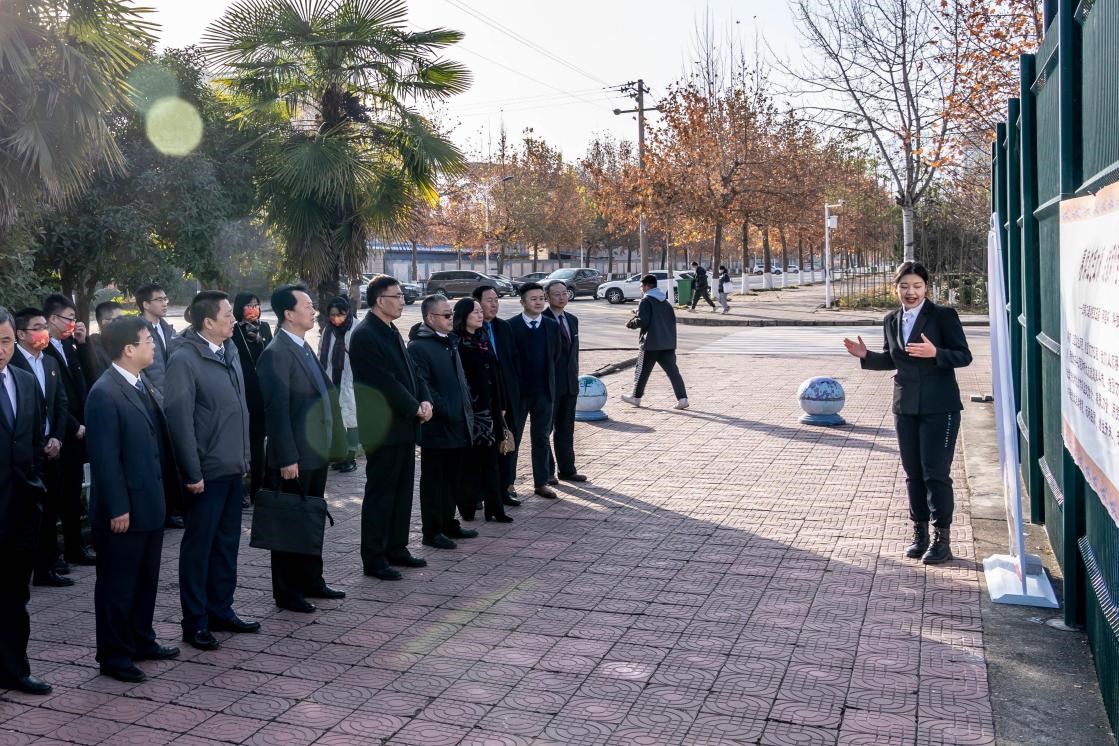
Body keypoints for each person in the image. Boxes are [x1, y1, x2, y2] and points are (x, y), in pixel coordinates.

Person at [843, 261, 973, 565]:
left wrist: (936, 353)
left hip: (940, 407)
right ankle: (920, 534)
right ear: (896, 288)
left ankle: (942, 539)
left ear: (926, 287)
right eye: (904, 286)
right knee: (913, 473)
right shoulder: (891, 320)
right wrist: (866, 356)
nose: (910, 292)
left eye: (916, 286)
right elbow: (893, 359)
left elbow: (964, 356)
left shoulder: (943, 316)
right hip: (905, 407)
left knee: (935, 473)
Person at [85, 317, 182, 682]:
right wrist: (118, 507)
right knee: (118, 585)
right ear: (128, 349)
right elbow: (105, 458)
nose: (153, 345)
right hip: (124, 511)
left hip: (149, 503)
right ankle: (114, 655)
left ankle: (141, 639)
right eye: (147, 341)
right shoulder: (104, 392)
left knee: (145, 580)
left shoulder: (140, 383)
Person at [163, 291, 258, 650]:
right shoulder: (184, 360)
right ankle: (195, 621)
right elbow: (180, 421)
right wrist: (192, 473)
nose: (234, 319)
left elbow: (239, 410)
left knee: (226, 545)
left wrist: (245, 459)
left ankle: (221, 609)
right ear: (208, 322)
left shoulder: (228, 349)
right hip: (205, 474)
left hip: (232, 468)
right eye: (228, 315)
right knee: (199, 549)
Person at [256, 285, 347, 613]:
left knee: (310, 518)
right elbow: (276, 411)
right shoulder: (277, 353)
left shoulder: (302, 346)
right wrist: (286, 457)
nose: (314, 311)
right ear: (288, 314)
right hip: (294, 456)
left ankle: (312, 580)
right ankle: (288, 591)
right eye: (307, 306)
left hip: (314, 452)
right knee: (289, 524)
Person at [350, 275, 432, 580]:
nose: (401, 301)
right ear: (379, 300)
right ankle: (374, 557)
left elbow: (411, 372)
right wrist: (414, 407)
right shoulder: (365, 335)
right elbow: (384, 382)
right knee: (381, 494)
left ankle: (397, 547)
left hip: (404, 425)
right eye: (396, 296)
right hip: (383, 428)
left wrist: (425, 399)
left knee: (401, 492)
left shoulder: (390, 329)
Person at [0, 306, 52, 695]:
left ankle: (15, 670)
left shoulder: (24, 380)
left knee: (16, 596)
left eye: (4, 341)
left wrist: (34, 487)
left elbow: (34, 441)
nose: (0, 349)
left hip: (21, 510)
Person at [408, 295, 477, 548]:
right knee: (434, 482)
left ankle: (449, 523)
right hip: (437, 427)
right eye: (446, 315)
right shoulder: (418, 347)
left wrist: (465, 409)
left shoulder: (449, 341)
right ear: (430, 318)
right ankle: (432, 531)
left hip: (458, 424)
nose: (452, 319)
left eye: (452, 314)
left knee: (452, 479)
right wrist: (448, 410)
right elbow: (423, 386)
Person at [10, 309, 70, 588]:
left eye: (45, 326)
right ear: (21, 334)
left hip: (51, 448)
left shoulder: (50, 361)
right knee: (29, 513)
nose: (43, 332)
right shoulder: (13, 364)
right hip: (26, 452)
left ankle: (48, 566)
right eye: (37, 327)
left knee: (51, 509)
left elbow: (60, 403)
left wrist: (57, 437)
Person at [41, 293, 95, 566]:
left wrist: (82, 345)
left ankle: (75, 548)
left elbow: (87, 379)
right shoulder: (42, 350)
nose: (74, 323)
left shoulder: (69, 345)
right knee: (56, 496)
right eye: (69, 318)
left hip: (79, 430)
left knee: (73, 493)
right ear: (52, 319)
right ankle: (53, 556)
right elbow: (53, 397)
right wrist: (74, 425)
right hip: (60, 432)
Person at [454, 298, 511, 523]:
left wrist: (501, 404)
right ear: (464, 316)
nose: (480, 315)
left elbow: (496, 373)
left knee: (491, 460)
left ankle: (495, 508)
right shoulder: (457, 342)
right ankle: (468, 507)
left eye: (480, 311)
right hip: (472, 413)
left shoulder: (483, 338)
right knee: (469, 462)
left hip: (491, 409)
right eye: (475, 312)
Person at [506, 282, 562, 499]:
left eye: (541, 298)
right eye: (533, 299)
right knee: (514, 438)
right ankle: (508, 483)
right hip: (518, 395)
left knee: (541, 438)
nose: (539, 302)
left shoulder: (551, 326)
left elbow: (555, 356)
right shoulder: (510, 326)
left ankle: (541, 482)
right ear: (522, 302)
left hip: (544, 392)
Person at [473, 285, 522, 507]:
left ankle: (505, 488)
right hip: (483, 400)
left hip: (508, 397)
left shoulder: (504, 327)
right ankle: (479, 493)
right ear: (477, 303)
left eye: (496, 300)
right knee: (483, 447)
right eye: (489, 300)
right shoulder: (470, 330)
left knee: (507, 444)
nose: (494, 304)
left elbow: (513, 362)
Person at [622, 274, 690, 410]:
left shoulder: (645, 300)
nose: (641, 288)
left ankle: (636, 397)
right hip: (668, 343)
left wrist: (631, 323)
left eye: (641, 286)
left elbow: (643, 321)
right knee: (673, 373)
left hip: (650, 344)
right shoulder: (665, 301)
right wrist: (638, 311)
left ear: (647, 286)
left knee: (641, 371)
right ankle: (683, 399)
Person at [231, 292, 274, 505]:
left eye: (256, 305)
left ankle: (265, 485)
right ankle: (252, 488)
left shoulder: (264, 328)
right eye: (249, 305)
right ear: (240, 308)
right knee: (252, 442)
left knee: (267, 441)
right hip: (246, 393)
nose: (254, 309)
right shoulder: (233, 331)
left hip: (265, 391)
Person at [542, 280, 586, 483]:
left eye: (564, 293)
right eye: (557, 294)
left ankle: (567, 470)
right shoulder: (542, 320)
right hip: (549, 386)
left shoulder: (572, 319)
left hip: (569, 385)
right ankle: (547, 472)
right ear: (547, 297)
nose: (562, 297)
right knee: (545, 430)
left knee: (566, 430)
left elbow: (573, 354)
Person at [319, 297, 359, 473]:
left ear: (347, 312)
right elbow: (321, 353)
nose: (336, 319)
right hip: (332, 380)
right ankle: (340, 456)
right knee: (337, 420)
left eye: (340, 315)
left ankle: (351, 458)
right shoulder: (328, 331)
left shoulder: (356, 328)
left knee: (351, 421)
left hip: (349, 381)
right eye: (332, 315)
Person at [134, 284, 176, 393]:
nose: (164, 304)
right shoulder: (136, 332)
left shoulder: (169, 330)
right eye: (159, 300)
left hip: (173, 392)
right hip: (151, 396)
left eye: (165, 299)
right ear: (146, 305)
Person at [79, 301, 124, 387]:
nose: (124, 323)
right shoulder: (93, 349)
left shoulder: (124, 343)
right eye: (120, 319)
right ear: (105, 322)